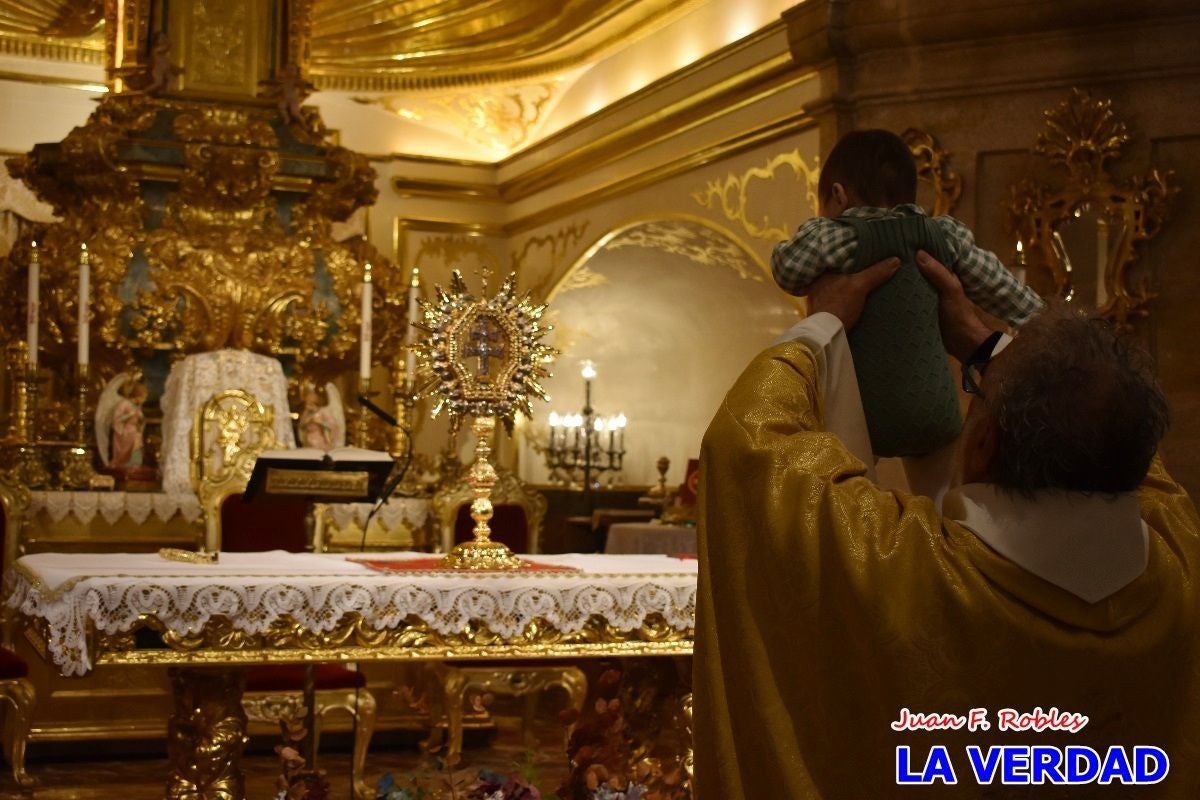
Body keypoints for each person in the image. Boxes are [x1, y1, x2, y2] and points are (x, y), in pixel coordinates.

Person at [694, 251, 1200, 798]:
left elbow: (750, 444)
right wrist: (990, 348)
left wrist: (824, 322)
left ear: (982, 446)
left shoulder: (891, 564)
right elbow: (1115, 434)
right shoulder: (1182, 561)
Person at [771, 130, 1043, 477]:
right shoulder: (941, 236)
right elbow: (1013, 298)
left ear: (837, 196)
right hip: (934, 410)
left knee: (851, 495)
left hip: (863, 417)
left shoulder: (835, 236)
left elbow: (786, 269)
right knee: (944, 502)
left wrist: (816, 233)